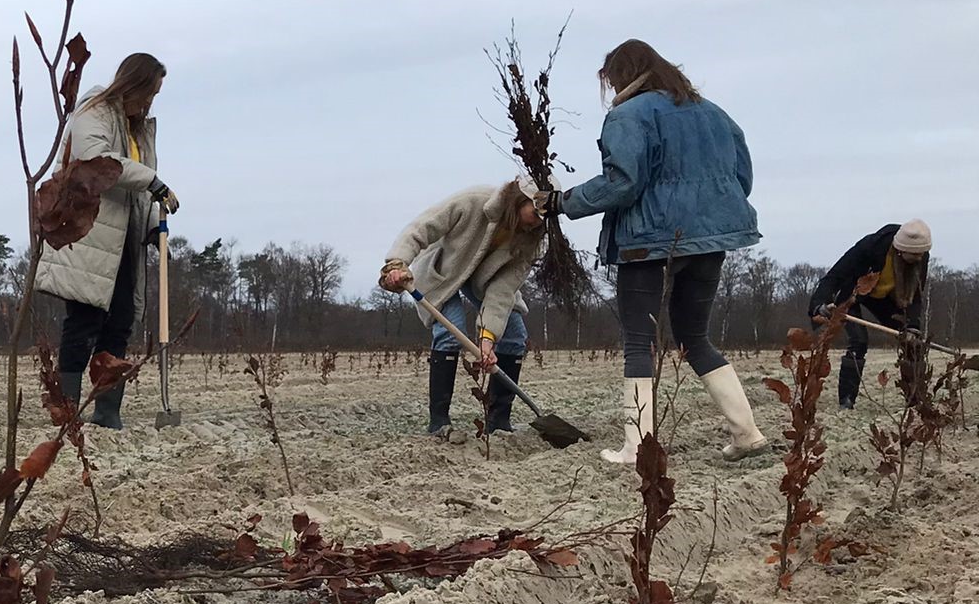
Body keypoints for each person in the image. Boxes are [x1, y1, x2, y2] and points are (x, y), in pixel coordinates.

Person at [558, 39, 766, 465]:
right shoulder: (714, 113)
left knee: (639, 341)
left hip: (649, 243)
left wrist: (564, 202)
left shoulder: (628, 115)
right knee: (696, 337)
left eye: (611, 78)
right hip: (711, 240)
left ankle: (637, 447)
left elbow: (622, 182)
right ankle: (747, 433)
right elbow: (740, 177)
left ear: (622, 75)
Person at [34, 53, 179, 429]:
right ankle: (65, 412)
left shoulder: (138, 130)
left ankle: (107, 412)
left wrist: (151, 224)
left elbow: (137, 192)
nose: (150, 102)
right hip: (89, 234)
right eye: (150, 92)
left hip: (125, 243)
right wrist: (152, 180)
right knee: (85, 321)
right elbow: (96, 159)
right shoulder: (94, 111)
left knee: (120, 324)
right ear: (134, 86)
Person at [379, 179, 546, 439]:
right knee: (450, 329)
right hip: (442, 272)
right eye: (535, 212)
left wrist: (487, 338)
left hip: (484, 284)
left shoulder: (532, 241)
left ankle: (498, 421)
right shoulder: (473, 201)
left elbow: (503, 290)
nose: (538, 221)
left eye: (545, 217)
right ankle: (439, 422)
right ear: (519, 200)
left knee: (513, 336)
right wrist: (397, 264)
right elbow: (422, 228)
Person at [812, 220, 932, 409]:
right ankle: (846, 401)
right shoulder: (870, 247)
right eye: (914, 255)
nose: (919, 258)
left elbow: (915, 295)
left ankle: (915, 400)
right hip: (854, 295)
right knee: (859, 341)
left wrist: (913, 326)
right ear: (900, 249)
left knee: (913, 344)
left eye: (921, 255)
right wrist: (819, 304)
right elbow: (835, 275)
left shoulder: (920, 257)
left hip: (885, 299)